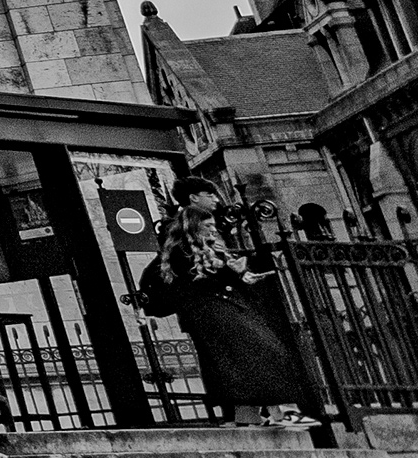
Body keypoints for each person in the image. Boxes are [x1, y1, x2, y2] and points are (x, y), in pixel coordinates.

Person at [135, 174, 316, 422]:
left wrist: (238, 274)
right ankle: (282, 413)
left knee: (237, 364)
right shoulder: (182, 243)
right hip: (213, 310)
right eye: (209, 195)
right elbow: (194, 280)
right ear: (193, 201)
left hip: (221, 307)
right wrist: (231, 274)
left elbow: (207, 274)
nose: (215, 201)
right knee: (260, 354)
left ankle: (249, 418)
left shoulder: (198, 244)